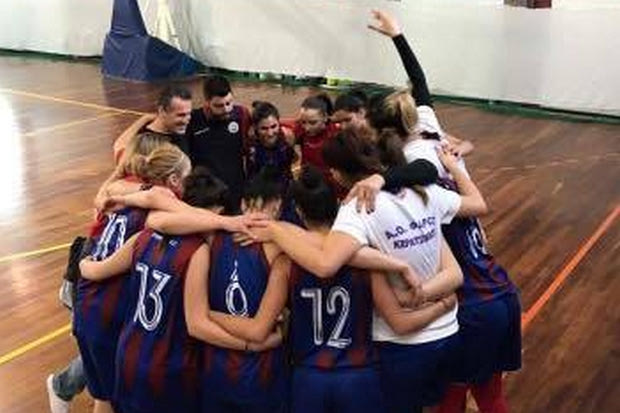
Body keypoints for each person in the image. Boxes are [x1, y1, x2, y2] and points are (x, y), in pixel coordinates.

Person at [366, 11, 522, 413]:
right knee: (489, 397)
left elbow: (422, 170)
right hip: (496, 285)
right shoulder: (427, 124)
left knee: (451, 400)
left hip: (471, 300)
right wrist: (398, 36)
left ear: (383, 133)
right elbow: (419, 84)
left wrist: (382, 179)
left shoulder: (417, 159)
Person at [73, 144, 191, 413]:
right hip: (108, 311)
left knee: (104, 396)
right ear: (174, 180)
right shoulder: (157, 212)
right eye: (187, 177)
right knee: (117, 399)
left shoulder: (125, 193)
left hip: (88, 303)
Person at [186, 75, 252, 213]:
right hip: (207, 197)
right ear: (206, 102)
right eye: (219, 106)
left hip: (236, 192)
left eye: (229, 103)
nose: (226, 109)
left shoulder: (241, 114)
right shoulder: (192, 121)